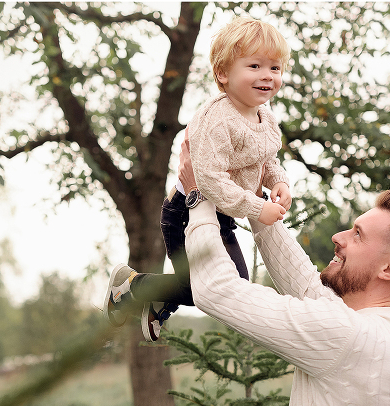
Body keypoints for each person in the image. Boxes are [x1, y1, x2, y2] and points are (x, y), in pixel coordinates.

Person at [106, 130, 390, 406]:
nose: (339, 236)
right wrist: (253, 200)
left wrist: (199, 196)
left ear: (389, 268)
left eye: (356, 234)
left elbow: (216, 290)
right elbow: (304, 281)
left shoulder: (348, 337)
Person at [103, 16, 292, 341]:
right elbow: (209, 180)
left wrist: (279, 181)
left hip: (223, 216)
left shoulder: (265, 117)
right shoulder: (217, 119)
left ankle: (158, 297)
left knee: (233, 289)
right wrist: (256, 208)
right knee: (209, 288)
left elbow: (267, 157)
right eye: (255, 66)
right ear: (223, 73)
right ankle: (133, 286)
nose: (267, 76)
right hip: (188, 213)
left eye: (275, 68)